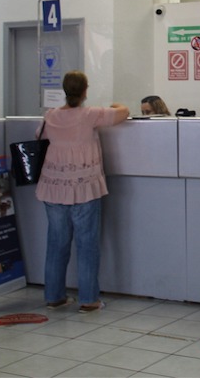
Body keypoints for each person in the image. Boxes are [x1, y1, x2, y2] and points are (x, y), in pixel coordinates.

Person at [36, 71, 129, 312]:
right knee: (87, 245)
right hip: (84, 187)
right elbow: (123, 112)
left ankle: (54, 296)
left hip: (54, 186)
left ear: (64, 90)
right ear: (85, 91)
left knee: (56, 243)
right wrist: (115, 104)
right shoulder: (90, 115)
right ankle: (88, 299)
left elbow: (39, 135)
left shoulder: (50, 115)